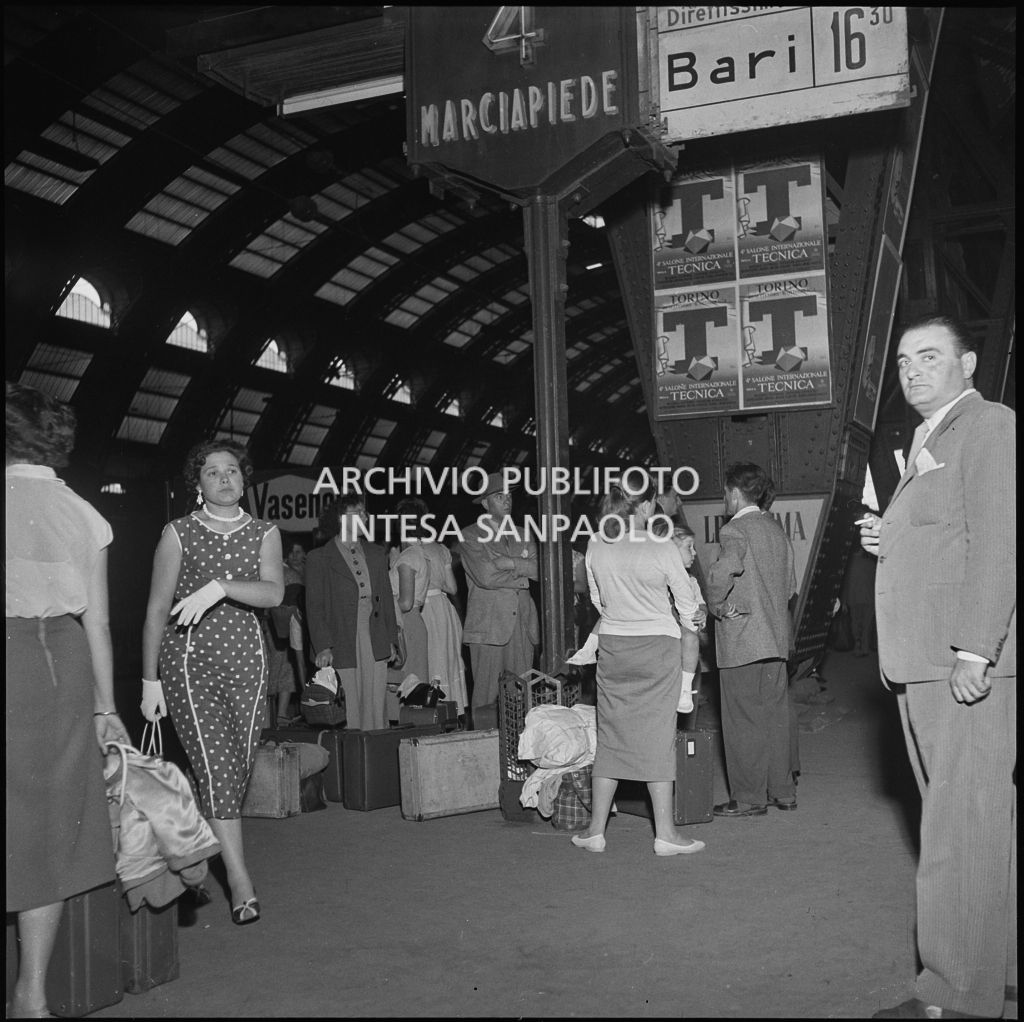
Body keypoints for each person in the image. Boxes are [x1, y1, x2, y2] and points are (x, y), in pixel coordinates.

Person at [859, 314, 1016, 1021]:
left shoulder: (988, 426)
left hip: (958, 660)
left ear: (970, 363)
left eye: (930, 356)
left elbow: (1000, 540)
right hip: (923, 658)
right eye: (902, 361)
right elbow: (945, 533)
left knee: (960, 829)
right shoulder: (928, 438)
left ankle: (954, 996)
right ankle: (996, 973)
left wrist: (976, 648)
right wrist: (885, 533)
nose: (912, 370)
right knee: (970, 823)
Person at [6, 383, 130, 1019]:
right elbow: (100, 623)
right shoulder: (85, 513)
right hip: (64, 660)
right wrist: (108, 711)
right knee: (49, 822)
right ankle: (30, 995)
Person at [140, 440, 283, 927]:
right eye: (212, 472)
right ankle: (239, 880)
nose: (224, 479)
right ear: (197, 484)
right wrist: (149, 681)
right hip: (188, 664)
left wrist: (220, 587)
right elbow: (157, 610)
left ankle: (193, 847)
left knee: (235, 771)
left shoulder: (265, 532)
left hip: (248, 663)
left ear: (244, 480)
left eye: (232, 471)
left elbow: (273, 591)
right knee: (218, 771)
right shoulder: (178, 533)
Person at [571, 483, 705, 857]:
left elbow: (597, 601)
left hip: (614, 648)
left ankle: (595, 831)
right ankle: (666, 835)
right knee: (658, 739)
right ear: (645, 505)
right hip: (657, 648)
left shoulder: (596, 541)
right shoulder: (659, 544)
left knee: (611, 736)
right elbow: (686, 603)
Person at [706, 462, 798, 818]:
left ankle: (747, 798)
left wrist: (718, 606)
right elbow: (789, 588)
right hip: (775, 641)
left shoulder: (735, 530)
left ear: (733, 492)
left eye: (724, 494)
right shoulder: (777, 531)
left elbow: (720, 573)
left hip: (743, 640)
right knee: (775, 718)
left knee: (743, 720)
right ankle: (783, 791)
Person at [304, 494, 398, 731]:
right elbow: (314, 607)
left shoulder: (377, 553)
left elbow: (385, 600)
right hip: (340, 638)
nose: (365, 517)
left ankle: (376, 751)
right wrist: (323, 645)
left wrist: (392, 640)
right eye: (358, 512)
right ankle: (353, 755)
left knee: (376, 701)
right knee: (348, 702)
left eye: (365, 513)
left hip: (374, 636)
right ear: (340, 517)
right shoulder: (319, 558)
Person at [458, 471, 539, 717]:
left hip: (522, 626)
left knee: (523, 700)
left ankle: (520, 753)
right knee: (485, 700)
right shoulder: (470, 535)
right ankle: (484, 753)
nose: (507, 501)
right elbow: (485, 577)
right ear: (485, 503)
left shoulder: (524, 532)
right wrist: (522, 572)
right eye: (499, 496)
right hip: (488, 627)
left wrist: (508, 563)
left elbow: (541, 570)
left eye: (509, 495)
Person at [396, 497, 468, 715]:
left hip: (423, 610)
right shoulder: (441, 549)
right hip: (444, 610)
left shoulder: (407, 554)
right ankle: (453, 710)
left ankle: (427, 710)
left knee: (427, 663)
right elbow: (453, 588)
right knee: (447, 661)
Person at [264, 535, 308, 725]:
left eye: (299, 552)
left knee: (275, 670)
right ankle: (279, 715)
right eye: (292, 552)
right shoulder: (289, 575)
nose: (295, 556)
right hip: (282, 628)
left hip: (274, 627)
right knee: (285, 670)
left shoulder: (296, 573)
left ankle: (272, 717)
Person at [670, 524, 708, 715]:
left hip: (687, 655)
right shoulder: (659, 580)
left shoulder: (691, 581)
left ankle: (686, 690)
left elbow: (701, 604)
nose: (694, 553)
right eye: (688, 547)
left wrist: (703, 612)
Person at [841, 544, 876, 657]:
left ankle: (857, 647)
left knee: (855, 624)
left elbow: (846, 584)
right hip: (869, 598)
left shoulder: (849, 565)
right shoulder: (871, 564)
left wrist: (844, 601)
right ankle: (865, 648)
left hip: (854, 598)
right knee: (867, 625)